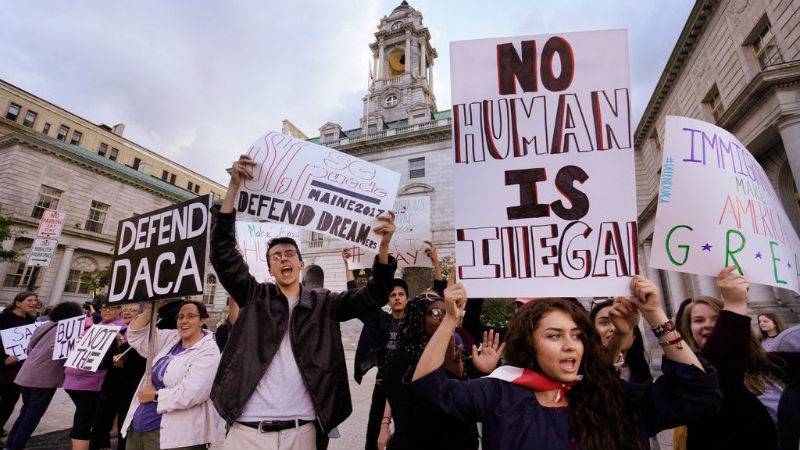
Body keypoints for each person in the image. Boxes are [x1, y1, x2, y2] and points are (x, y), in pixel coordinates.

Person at [208, 154, 398, 450]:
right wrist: (233, 187)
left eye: (289, 254)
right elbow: (222, 252)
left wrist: (384, 245)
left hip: (303, 430)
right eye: (276, 256)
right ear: (270, 269)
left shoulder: (325, 303)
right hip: (248, 430)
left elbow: (373, 295)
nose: (283, 258)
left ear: (300, 263)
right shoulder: (255, 296)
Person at [410, 275, 722, 450]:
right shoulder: (500, 393)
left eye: (576, 334)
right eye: (554, 336)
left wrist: (655, 315)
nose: (570, 344)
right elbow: (428, 390)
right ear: (530, 343)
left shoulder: (614, 397)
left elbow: (697, 392)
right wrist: (451, 319)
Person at [677, 266, 783, 450]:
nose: (708, 325)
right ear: (689, 329)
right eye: (699, 320)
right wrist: (734, 304)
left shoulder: (768, 367)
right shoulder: (692, 374)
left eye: (717, 319)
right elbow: (718, 369)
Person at [381, 292, 503, 450]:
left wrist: (483, 372)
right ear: (416, 318)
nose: (444, 318)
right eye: (436, 313)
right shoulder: (400, 361)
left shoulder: (458, 354)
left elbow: (476, 403)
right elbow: (417, 409)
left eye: (447, 313)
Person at [119, 300, 222, 450]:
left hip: (172, 436)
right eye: (180, 317)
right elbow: (136, 336)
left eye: (191, 316)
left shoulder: (208, 350)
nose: (184, 321)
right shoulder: (172, 338)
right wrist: (150, 309)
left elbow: (194, 393)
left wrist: (155, 396)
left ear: (203, 320)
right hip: (139, 427)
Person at [349, 246, 409, 450]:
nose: (397, 297)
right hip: (383, 382)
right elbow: (356, 300)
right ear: (389, 301)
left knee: (407, 434)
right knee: (374, 434)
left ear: (407, 299)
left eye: (401, 294)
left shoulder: (415, 323)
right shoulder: (381, 320)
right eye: (393, 295)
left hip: (406, 385)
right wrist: (348, 266)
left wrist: (436, 263)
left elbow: (438, 300)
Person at [4, 301, 84, 450]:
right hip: (45, 378)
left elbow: (29, 347)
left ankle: (10, 444)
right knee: (33, 415)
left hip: (27, 373)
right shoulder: (69, 330)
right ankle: (16, 445)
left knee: (25, 412)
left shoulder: (44, 325)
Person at [63, 300, 124, 450]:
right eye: (103, 308)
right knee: (92, 421)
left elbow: (120, 355)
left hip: (93, 384)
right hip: (74, 381)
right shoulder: (94, 326)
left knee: (83, 423)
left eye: (111, 308)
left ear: (119, 310)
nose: (106, 311)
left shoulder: (122, 328)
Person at [89, 303, 147, 450]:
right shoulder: (115, 331)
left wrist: (121, 342)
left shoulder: (146, 334)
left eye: (132, 310)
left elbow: (141, 361)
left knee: (124, 428)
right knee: (100, 426)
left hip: (131, 388)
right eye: (125, 310)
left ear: (142, 314)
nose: (127, 313)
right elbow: (104, 360)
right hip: (110, 386)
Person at [0, 292, 38, 437]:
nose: (34, 303)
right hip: (3, 367)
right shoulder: (4, 318)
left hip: (18, 370)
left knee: (9, 403)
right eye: (29, 300)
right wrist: (3, 358)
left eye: (35, 300)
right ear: (18, 303)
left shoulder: (30, 320)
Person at [590, 299, 652, 384]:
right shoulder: (584, 372)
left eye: (624, 321)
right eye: (604, 322)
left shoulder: (643, 378)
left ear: (634, 335)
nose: (615, 327)